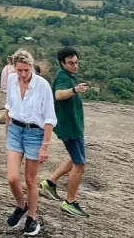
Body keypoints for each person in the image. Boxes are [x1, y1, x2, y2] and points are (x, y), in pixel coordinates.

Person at [3, 51, 56, 236]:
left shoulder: (42, 86)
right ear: (14, 68)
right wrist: (7, 128)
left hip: (35, 133)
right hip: (16, 130)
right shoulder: (11, 80)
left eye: (26, 70)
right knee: (12, 178)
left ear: (31, 67)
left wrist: (45, 146)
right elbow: (8, 106)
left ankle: (32, 218)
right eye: (19, 70)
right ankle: (21, 205)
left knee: (30, 180)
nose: (23, 74)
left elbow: (49, 118)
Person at [39, 47, 90, 218]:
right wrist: (75, 90)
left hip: (75, 126)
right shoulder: (62, 76)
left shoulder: (69, 75)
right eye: (70, 63)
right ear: (62, 63)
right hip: (69, 127)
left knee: (73, 157)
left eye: (76, 62)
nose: (75, 66)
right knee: (80, 164)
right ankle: (69, 202)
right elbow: (59, 94)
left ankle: (50, 183)